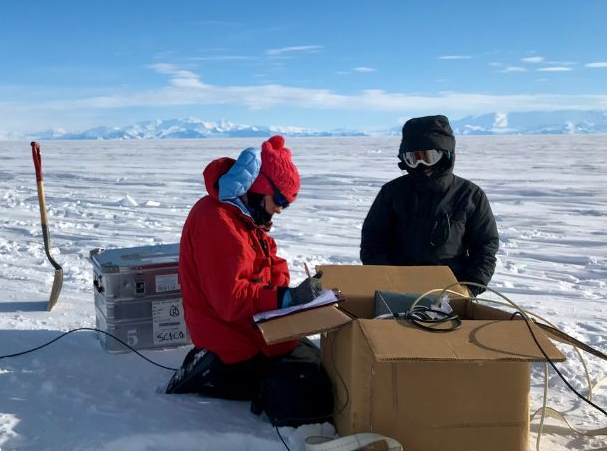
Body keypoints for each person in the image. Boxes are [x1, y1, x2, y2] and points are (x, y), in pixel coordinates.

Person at [165, 135, 331, 426]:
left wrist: (289, 296)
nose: (280, 209)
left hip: (253, 327)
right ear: (257, 189)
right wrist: (286, 299)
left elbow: (271, 263)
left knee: (321, 364)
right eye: (279, 200)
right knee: (310, 386)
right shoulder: (217, 222)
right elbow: (231, 301)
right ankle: (210, 371)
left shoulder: (245, 218)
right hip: (231, 341)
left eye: (286, 204)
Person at [360, 115, 499, 293]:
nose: (421, 164)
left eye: (428, 156)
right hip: (397, 287)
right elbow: (373, 240)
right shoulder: (392, 193)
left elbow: (485, 247)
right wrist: (387, 278)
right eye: (413, 158)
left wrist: (470, 286)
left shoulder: (470, 195)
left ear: (445, 154)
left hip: (451, 288)